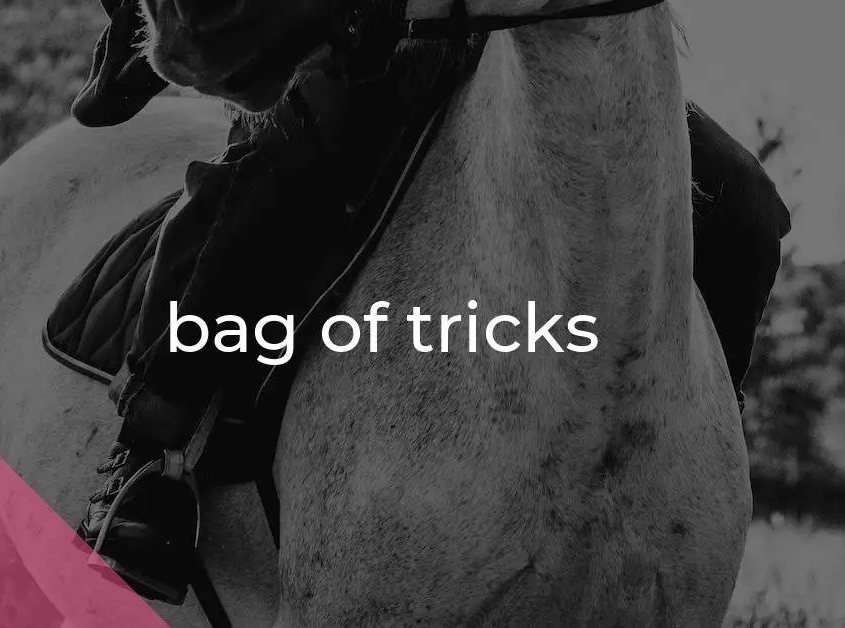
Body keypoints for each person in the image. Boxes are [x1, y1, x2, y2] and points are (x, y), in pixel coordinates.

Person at [67, 0, 791, 605]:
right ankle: (151, 453)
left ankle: (697, 434)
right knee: (282, 166)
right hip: (400, 29)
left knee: (746, 205)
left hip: (550, 40)